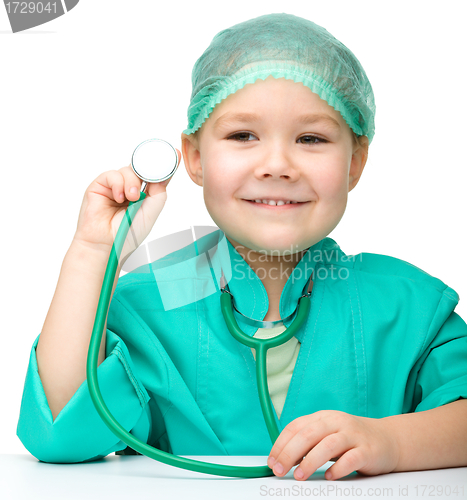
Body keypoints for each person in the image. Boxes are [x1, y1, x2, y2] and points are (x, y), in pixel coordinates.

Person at [17, 13, 467, 481]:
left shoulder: (408, 303)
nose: (277, 165)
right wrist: (92, 253)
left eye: (311, 138)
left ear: (356, 162)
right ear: (194, 157)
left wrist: (392, 442)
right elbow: (58, 437)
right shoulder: (147, 299)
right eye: (242, 136)